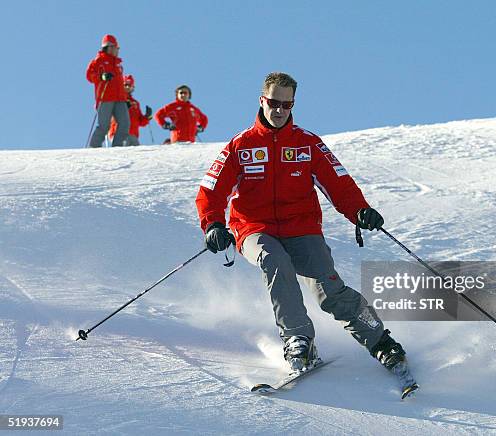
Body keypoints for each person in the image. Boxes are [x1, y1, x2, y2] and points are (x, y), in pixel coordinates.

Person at [195, 72, 410, 376]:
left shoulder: (307, 145)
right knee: (275, 261)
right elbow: (210, 190)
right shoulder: (240, 147)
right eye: (274, 103)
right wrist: (214, 224)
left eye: (287, 104)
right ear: (262, 100)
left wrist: (360, 211)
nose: (280, 110)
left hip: (302, 229)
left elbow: (339, 184)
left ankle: (381, 342)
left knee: (329, 291)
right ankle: (298, 339)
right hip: (254, 228)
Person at [86, 34, 130, 148]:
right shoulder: (99, 61)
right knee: (104, 126)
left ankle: (117, 147)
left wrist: (126, 99)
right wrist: (102, 77)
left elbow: (120, 84)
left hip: (120, 98)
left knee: (125, 123)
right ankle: (94, 147)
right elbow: (89, 75)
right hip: (105, 98)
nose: (118, 50)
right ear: (109, 47)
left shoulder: (117, 63)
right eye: (116, 47)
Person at [108, 75, 152, 146]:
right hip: (119, 133)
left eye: (130, 85)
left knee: (137, 154)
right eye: (125, 85)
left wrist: (147, 116)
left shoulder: (135, 103)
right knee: (123, 153)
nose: (128, 87)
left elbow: (141, 122)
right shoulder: (115, 99)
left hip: (133, 134)